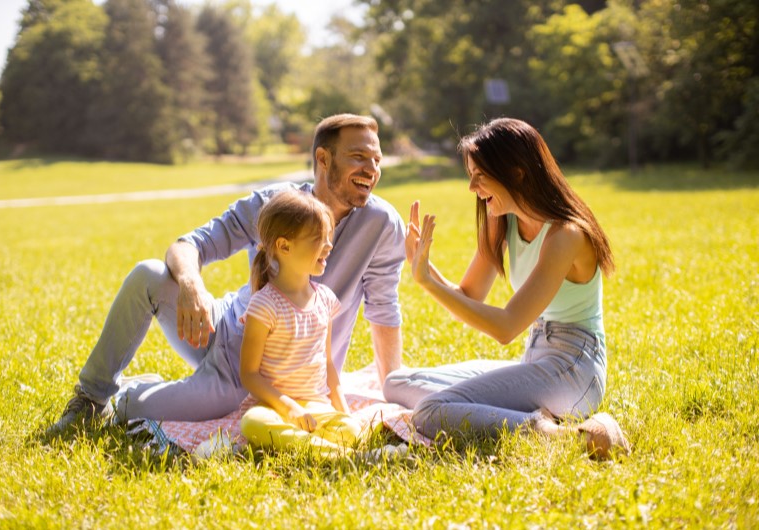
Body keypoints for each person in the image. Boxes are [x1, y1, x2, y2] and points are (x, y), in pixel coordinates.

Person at [49, 113, 405, 431]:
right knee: (149, 274)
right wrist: (191, 285)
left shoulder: (382, 224)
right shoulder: (274, 203)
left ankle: (139, 390)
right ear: (323, 159)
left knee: (142, 407)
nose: (372, 169)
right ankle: (91, 399)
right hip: (221, 329)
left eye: (377, 159)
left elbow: (384, 308)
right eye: (358, 157)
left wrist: (391, 389)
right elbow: (189, 245)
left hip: (278, 373)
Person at [384, 118, 629, 459]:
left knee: (431, 411)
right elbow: (468, 296)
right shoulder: (501, 220)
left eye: (480, 175)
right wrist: (424, 270)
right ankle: (527, 416)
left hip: (574, 370)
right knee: (395, 383)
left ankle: (565, 436)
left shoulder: (566, 235)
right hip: (536, 357)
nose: (472, 187)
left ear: (516, 173)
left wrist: (426, 282)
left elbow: (506, 327)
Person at [238, 191, 362, 456]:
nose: (328, 245)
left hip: (315, 407)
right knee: (252, 423)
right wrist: (289, 408)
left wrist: (345, 412)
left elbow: (328, 364)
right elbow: (249, 374)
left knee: (350, 430)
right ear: (284, 246)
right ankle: (338, 454)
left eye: (329, 237)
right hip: (273, 409)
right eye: (319, 238)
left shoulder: (325, 299)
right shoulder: (264, 305)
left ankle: (316, 447)